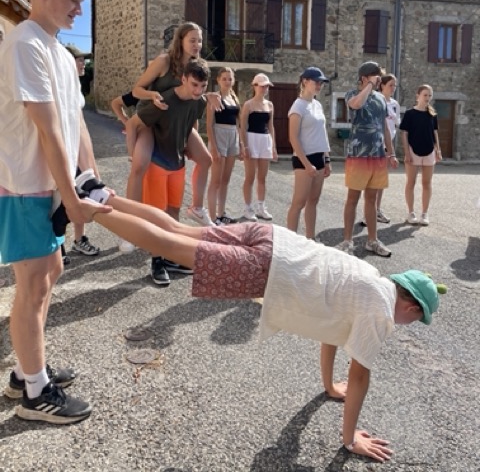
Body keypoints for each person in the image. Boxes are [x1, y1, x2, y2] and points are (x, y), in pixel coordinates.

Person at [68, 176, 445, 463]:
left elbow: (333, 332)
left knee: (177, 230)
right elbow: (361, 376)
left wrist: (330, 385)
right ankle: (90, 211)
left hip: (271, 236)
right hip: (270, 268)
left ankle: (102, 195)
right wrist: (350, 440)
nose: (408, 325)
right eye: (417, 320)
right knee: (169, 246)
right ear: (412, 308)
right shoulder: (380, 311)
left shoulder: (371, 279)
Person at [0, 0, 111, 424]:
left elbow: (76, 125)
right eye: (72, 0)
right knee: (32, 284)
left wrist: (91, 180)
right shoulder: (24, 44)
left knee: (53, 270)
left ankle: (26, 371)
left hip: (50, 187)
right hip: (25, 185)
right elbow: (46, 130)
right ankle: (34, 393)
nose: (79, 10)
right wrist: (70, 198)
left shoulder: (62, 55)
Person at [124, 22, 219, 232]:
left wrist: (208, 95)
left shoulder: (196, 65)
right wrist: (152, 95)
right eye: (192, 40)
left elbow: (193, 95)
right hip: (152, 117)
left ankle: (197, 208)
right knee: (139, 166)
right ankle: (130, 224)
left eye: (200, 40)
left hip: (177, 119)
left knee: (206, 159)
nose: (197, 44)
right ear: (180, 40)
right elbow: (136, 90)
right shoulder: (164, 61)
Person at [135, 58, 209, 286]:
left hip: (177, 163)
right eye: (194, 84)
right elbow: (134, 124)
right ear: (183, 79)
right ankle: (156, 261)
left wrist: (187, 145)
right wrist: (134, 153)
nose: (198, 91)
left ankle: (170, 258)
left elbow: (191, 124)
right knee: (157, 215)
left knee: (174, 212)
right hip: (157, 163)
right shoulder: (164, 100)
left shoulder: (200, 102)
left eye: (203, 86)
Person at [337, 61, 398, 257]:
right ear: (364, 78)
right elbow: (356, 105)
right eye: (376, 76)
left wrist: (391, 152)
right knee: (352, 199)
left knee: (371, 200)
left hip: (378, 156)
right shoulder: (352, 94)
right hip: (358, 156)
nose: (379, 79)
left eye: (379, 76)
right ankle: (347, 241)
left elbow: (384, 127)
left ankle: (372, 240)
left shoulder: (380, 98)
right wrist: (369, 86)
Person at [62, 45, 100, 262]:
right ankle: (58, 244)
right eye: (79, 60)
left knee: (82, 192)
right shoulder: (62, 85)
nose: (83, 64)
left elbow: (81, 123)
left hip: (79, 147)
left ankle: (79, 240)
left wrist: (89, 155)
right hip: (67, 148)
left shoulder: (75, 85)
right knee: (61, 197)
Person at [286, 67, 331, 239]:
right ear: (305, 81)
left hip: (319, 157)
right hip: (304, 158)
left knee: (313, 201)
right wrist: (306, 164)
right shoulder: (298, 106)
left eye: (321, 83)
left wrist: (327, 160)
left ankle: (310, 239)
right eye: (316, 82)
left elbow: (322, 133)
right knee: (299, 203)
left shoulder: (317, 104)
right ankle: (290, 241)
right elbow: (293, 137)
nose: (319, 85)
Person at [360, 73, 400, 226]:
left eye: (395, 85)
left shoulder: (395, 104)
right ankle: (367, 213)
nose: (393, 88)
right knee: (370, 182)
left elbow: (394, 125)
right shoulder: (376, 100)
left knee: (381, 181)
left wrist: (391, 150)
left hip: (387, 146)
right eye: (390, 85)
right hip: (374, 146)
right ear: (382, 85)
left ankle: (376, 210)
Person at [400, 84, 442, 226]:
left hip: (429, 152)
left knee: (427, 183)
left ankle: (424, 213)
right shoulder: (410, 114)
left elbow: (435, 133)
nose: (427, 98)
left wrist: (438, 150)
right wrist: (407, 152)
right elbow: (404, 133)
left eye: (430, 95)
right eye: (425, 95)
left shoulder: (432, 114)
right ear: (418, 96)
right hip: (413, 151)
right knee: (410, 182)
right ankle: (411, 213)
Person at [240, 73, 277, 222]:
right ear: (254, 86)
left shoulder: (270, 105)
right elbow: (243, 127)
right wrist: (245, 145)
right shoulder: (248, 105)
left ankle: (261, 207)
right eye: (261, 86)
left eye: (266, 86)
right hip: (252, 139)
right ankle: (248, 208)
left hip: (265, 140)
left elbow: (271, 126)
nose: (264, 89)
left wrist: (273, 146)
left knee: (262, 177)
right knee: (250, 176)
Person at [206, 67, 241, 225]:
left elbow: (238, 123)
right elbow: (209, 124)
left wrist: (240, 143)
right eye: (224, 78)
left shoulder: (234, 99)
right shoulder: (214, 98)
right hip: (219, 135)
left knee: (225, 180)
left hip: (232, 137)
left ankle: (221, 214)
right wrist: (213, 147)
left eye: (230, 79)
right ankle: (212, 217)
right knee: (216, 181)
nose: (227, 81)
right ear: (218, 80)